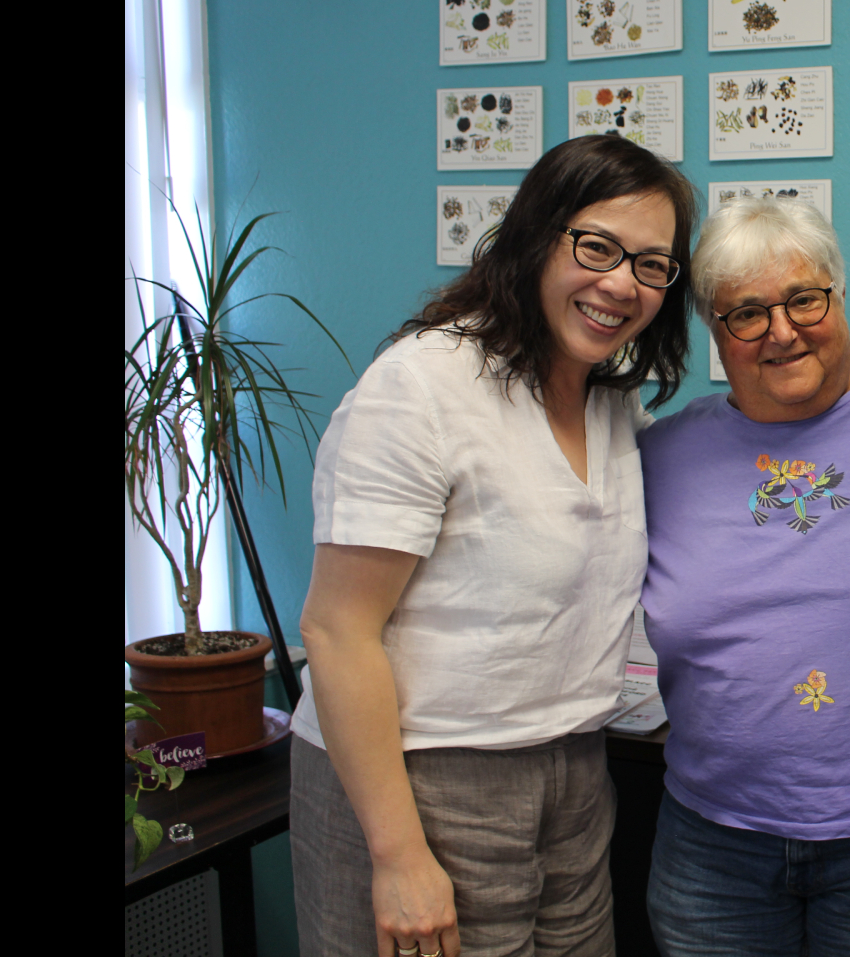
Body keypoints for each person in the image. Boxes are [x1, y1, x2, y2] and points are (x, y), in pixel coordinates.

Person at [290, 135, 696, 957]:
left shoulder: (612, 408)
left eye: (651, 264)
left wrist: (839, 402)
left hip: (575, 772)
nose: (621, 283)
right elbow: (338, 631)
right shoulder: (423, 386)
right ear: (535, 237)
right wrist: (399, 856)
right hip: (419, 781)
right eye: (597, 246)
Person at [637, 197, 850, 957]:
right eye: (745, 314)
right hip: (711, 841)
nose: (782, 331)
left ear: (838, 298)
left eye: (803, 300)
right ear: (715, 334)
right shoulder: (661, 457)